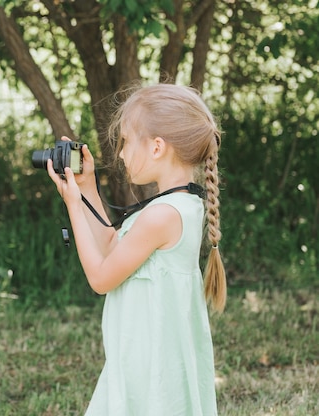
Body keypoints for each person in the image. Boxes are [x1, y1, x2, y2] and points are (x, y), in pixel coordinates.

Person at [46, 83, 226, 415]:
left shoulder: (162, 215)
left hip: (150, 364)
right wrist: (88, 189)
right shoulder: (181, 204)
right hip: (149, 356)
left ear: (157, 147)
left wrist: (74, 205)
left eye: (127, 142)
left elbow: (101, 278)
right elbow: (114, 245)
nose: (122, 154)